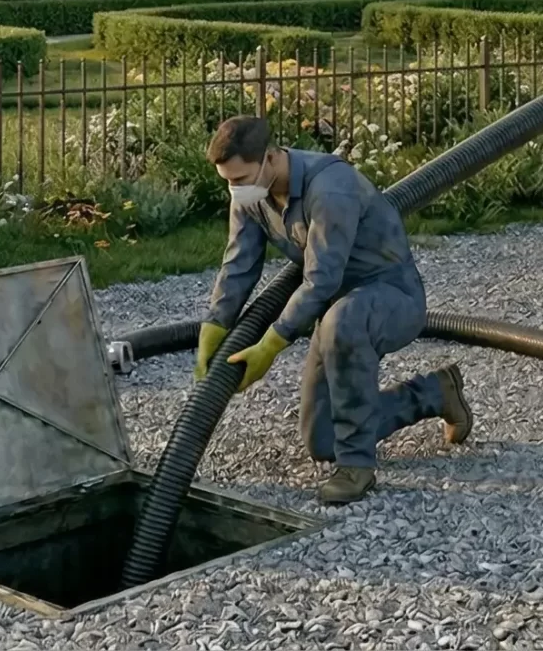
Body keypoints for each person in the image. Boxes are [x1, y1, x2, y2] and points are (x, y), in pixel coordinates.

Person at [195, 114, 471, 504]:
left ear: (271, 158)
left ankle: (358, 467)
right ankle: (434, 393)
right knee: (324, 440)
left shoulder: (329, 188)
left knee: (343, 321)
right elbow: (239, 264)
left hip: (389, 297)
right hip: (338, 310)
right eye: (227, 180)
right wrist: (215, 326)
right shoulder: (252, 196)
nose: (233, 189)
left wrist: (271, 345)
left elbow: (321, 279)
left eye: (239, 179)